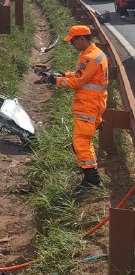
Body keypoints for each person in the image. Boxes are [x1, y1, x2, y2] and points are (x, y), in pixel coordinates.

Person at [37, 25, 107, 193]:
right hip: (92, 104)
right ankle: (90, 177)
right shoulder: (92, 54)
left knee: (81, 143)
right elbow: (79, 76)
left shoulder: (91, 57)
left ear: (82, 39)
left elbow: (78, 82)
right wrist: (62, 74)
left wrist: (56, 81)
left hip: (88, 106)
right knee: (82, 142)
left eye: (73, 41)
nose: (72, 45)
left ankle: (92, 181)